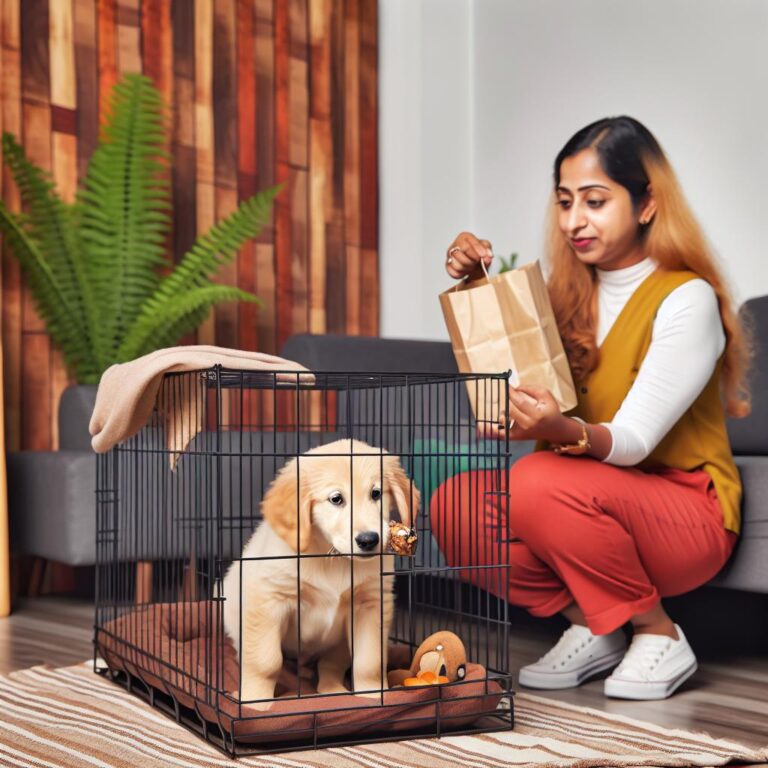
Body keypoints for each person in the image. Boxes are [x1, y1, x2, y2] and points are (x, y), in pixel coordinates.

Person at [433, 116, 752, 700]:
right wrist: (478, 280)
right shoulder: (559, 300)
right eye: (564, 201)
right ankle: (592, 622)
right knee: (454, 504)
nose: (575, 220)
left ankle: (657, 632)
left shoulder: (687, 298)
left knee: (535, 479)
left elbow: (631, 440)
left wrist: (556, 428)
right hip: (580, 506)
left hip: (686, 515)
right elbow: (518, 397)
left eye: (596, 200)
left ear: (647, 202)